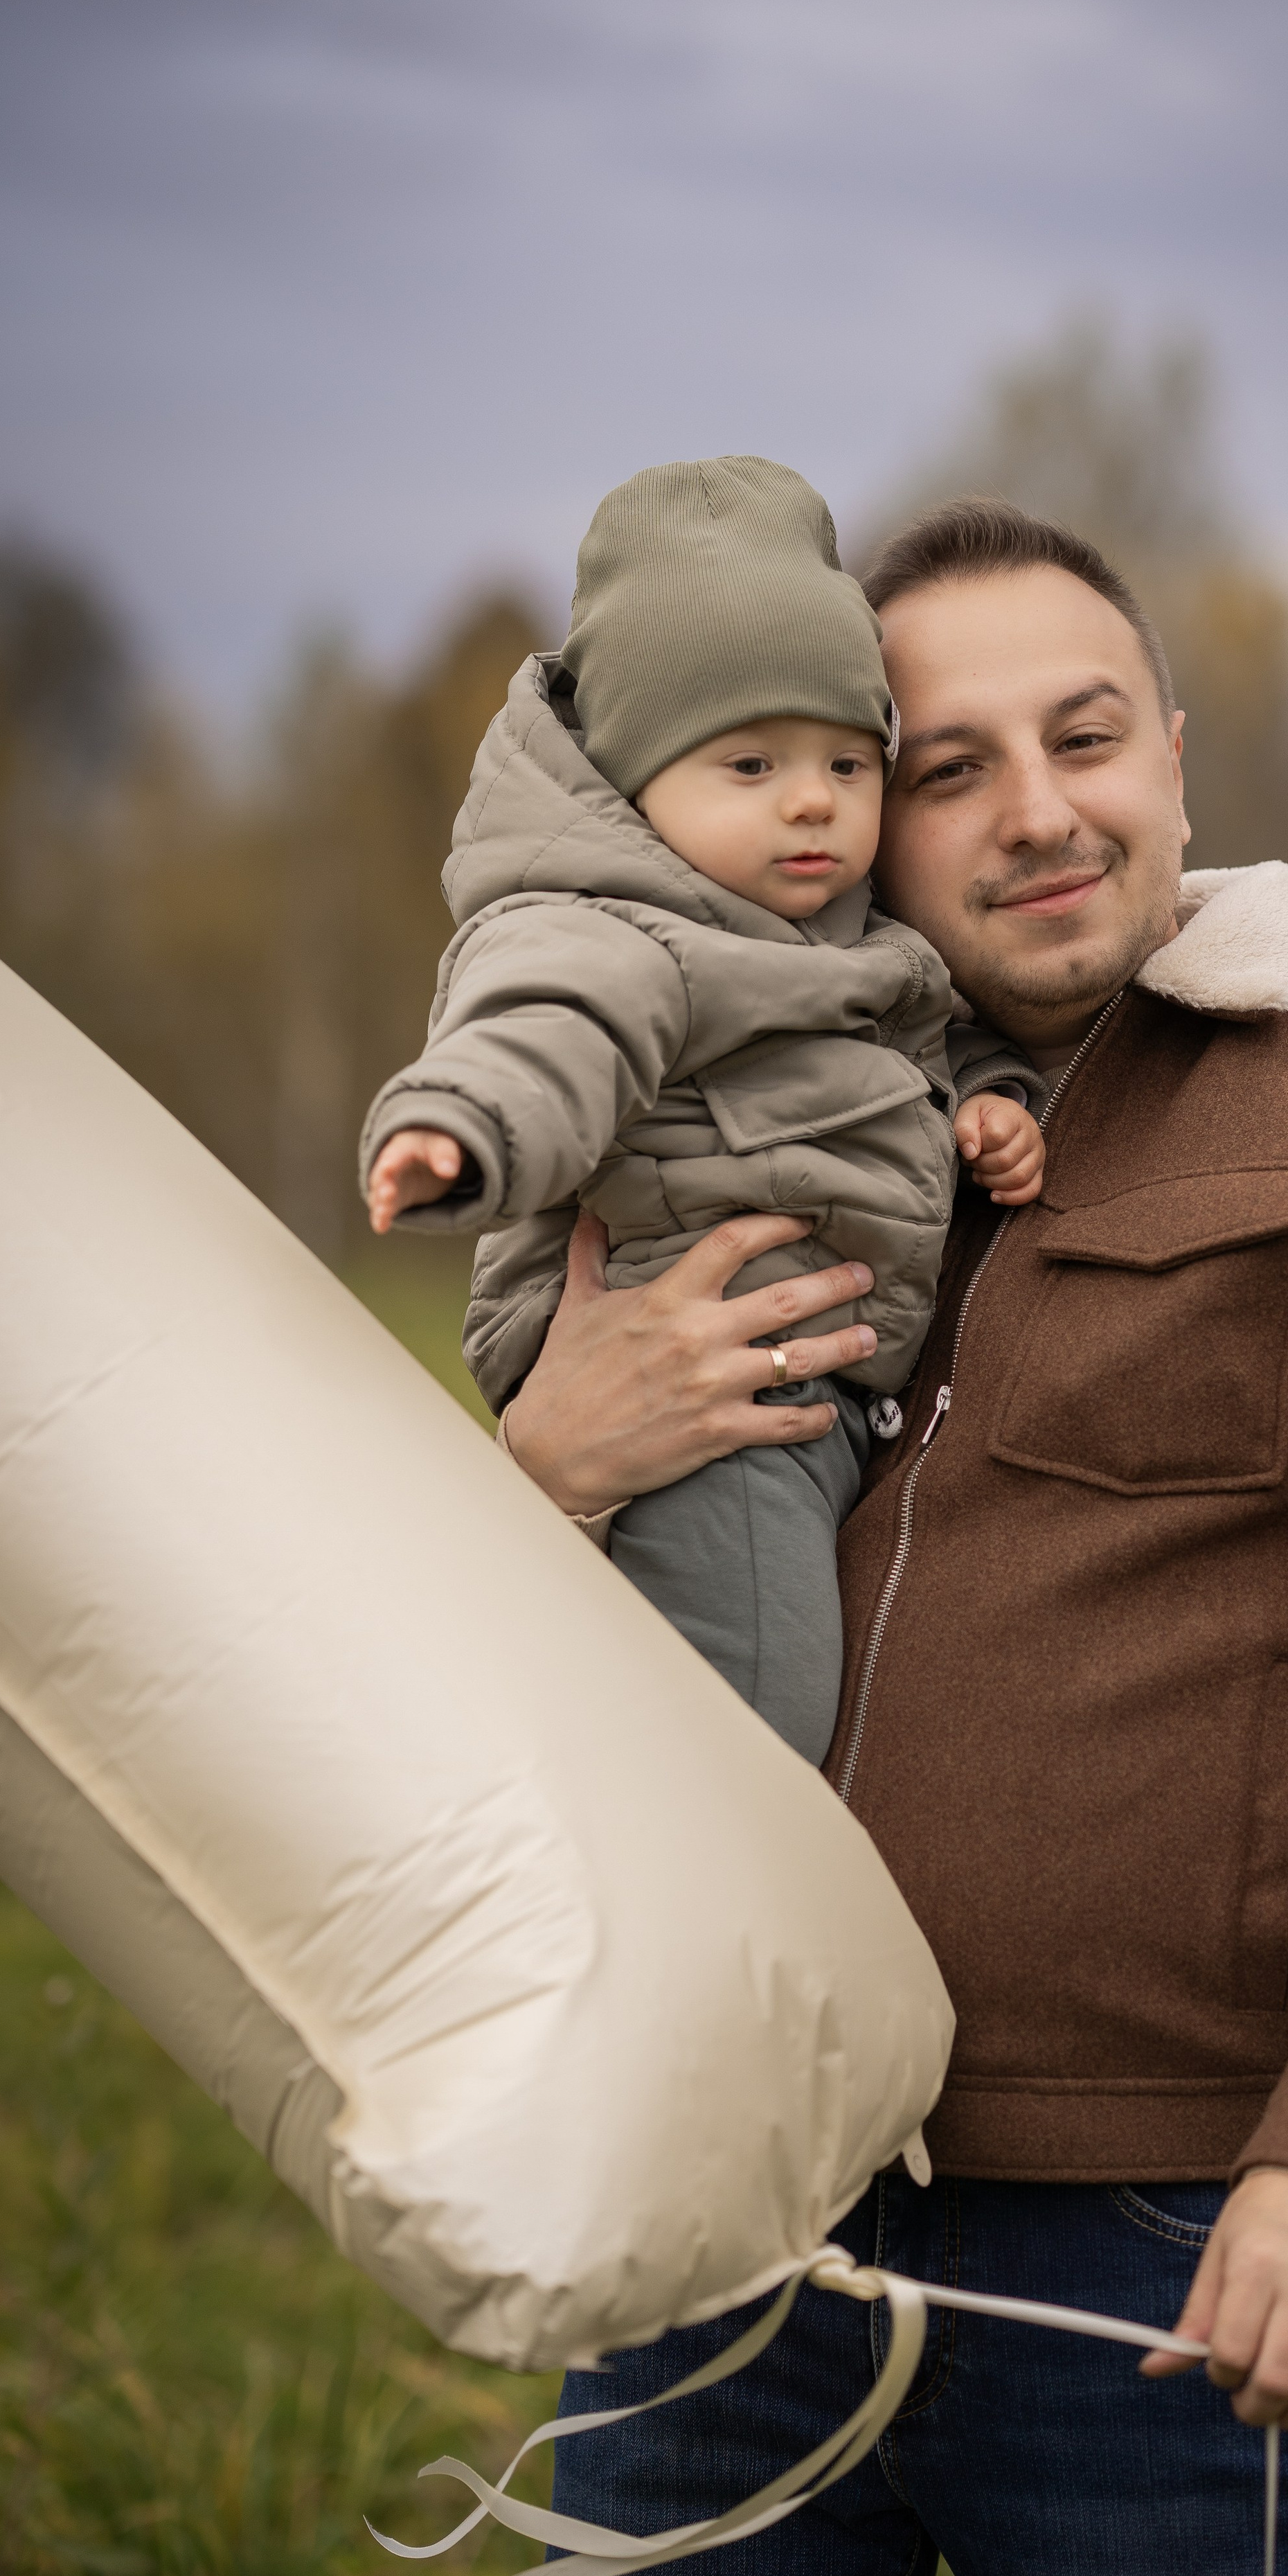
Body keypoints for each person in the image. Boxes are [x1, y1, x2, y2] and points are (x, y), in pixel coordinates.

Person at [492, 501, 1288, 2576]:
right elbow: (509, 1655)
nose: (1038, 813)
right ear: (858, 817)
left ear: (1178, 761)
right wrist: (546, 1462)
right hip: (733, 2195)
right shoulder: (735, 1124)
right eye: (952, 767)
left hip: (1160, 2250)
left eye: (1088, 740)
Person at [359, 459, 1041, 1764]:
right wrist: (463, 1127)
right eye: (750, 761)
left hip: (798, 1377)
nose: (811, 800)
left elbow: (927, 1034)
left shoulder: (831, 929)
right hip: (692, 1368)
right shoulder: (615, 929)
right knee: (758, 1720)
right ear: (634, 777)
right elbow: (546, 1033)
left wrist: (995, 1101)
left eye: (851, 761)